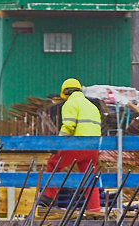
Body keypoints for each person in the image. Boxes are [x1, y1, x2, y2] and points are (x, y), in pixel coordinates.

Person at [42, 78, 104, 213]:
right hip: (93, 148)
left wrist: (59, 144)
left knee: (53, 163)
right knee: (89, 178)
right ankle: (94, 210)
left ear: (65, 93)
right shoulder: (92, 106)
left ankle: (47, 198)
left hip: (78, 145)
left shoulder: (70, 104)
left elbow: (69, 127)